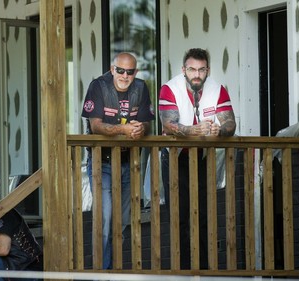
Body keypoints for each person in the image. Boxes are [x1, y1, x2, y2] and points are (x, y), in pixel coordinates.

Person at [158, 48, 236, 269]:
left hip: (203, 158)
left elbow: (230, 123)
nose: (196, 74)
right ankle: (181, 270)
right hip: (175, 158)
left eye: (201, 70)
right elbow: (168, 125)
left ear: (207, 70)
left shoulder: (217, 88)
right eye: (192, 69)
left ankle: (203, 269)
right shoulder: (169, 88)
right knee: (179, 216)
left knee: (204, 214)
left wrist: (219, 131)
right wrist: (196, 130)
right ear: (184, 69)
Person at [81, 52, 155, 269]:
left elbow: (148, 124)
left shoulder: (140, 87)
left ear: (135, 73)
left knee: (122, 221)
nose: (124, 75)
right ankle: (102, 271)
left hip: (129, 163)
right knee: (104, 221)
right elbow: (95, 126)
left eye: (129, 72)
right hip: (101, 162)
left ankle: (115, 268)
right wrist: (124, 129)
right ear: (112, 69)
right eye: (120, 70)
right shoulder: (99, 86)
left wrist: (141, 128)